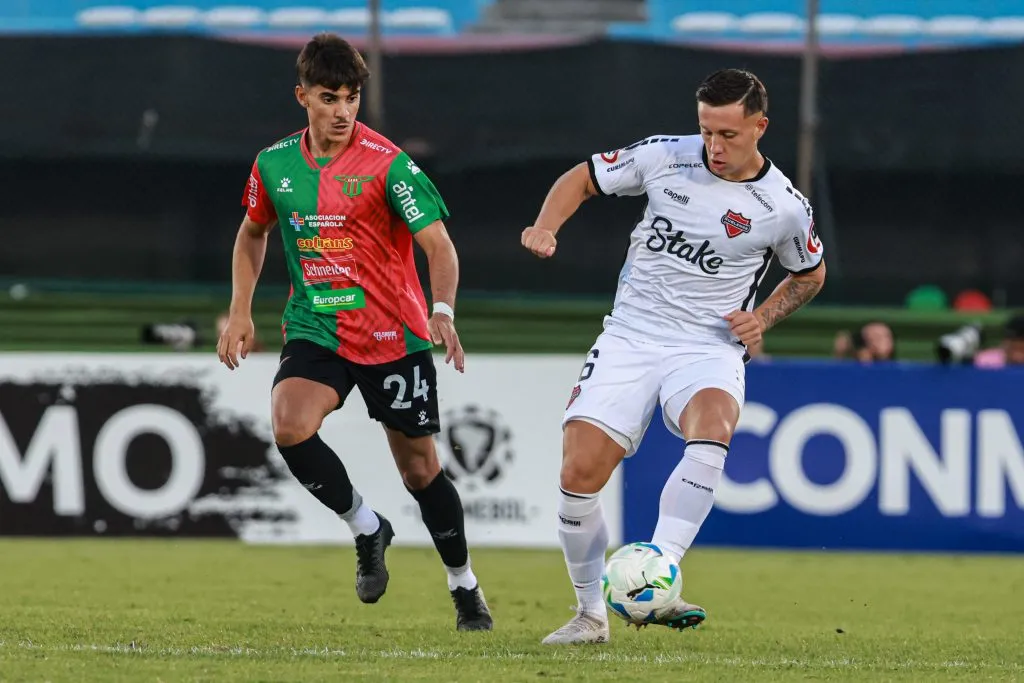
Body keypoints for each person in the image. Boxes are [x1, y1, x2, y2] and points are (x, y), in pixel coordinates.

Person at [522, 69, 827, 644]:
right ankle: (590, 615)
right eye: (707, 131)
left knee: (713, 429)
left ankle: (656, 575)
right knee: (578, 474)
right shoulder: (664, 156)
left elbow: (809, 274)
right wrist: (546, 225)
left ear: (760, 127)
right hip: (630, 336)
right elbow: (581, 179)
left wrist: (761, 317)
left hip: (707, 345)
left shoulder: (783, 206)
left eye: (729, 135)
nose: (714, 147)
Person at [217, 33, 492, 631]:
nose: (343, 110)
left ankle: (464, 585)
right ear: (302, 97)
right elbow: (251, 233)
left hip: (393, 336)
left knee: (420, 470)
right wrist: (241, 309)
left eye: (351, 97)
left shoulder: (389, 164)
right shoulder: (274, 164)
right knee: (289, 425)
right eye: (329, 97)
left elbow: (439, 247)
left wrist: (442, 312)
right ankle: (366, 527)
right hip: (316, 325)